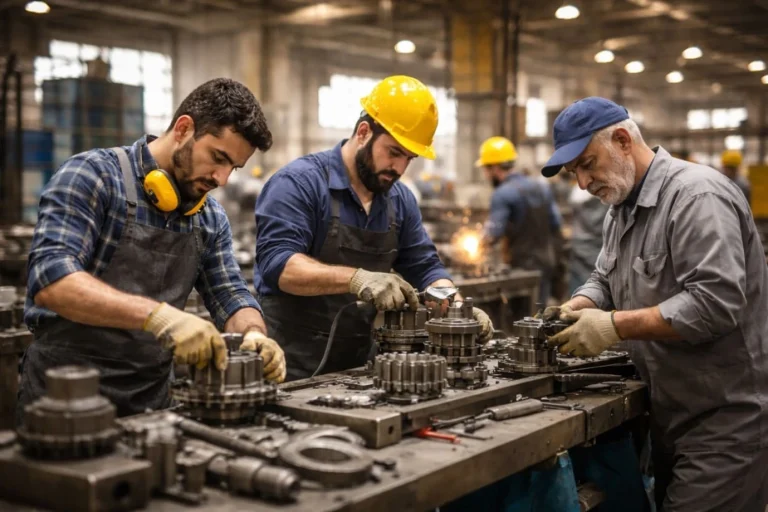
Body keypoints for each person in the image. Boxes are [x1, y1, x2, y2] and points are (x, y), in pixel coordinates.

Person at [539, 96, 768, 511]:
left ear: (623, 140)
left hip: (727, 420)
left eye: (588, 164)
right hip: (671, 414)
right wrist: (578, 305)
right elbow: (604, 278)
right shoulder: (620, 210)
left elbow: (716, 302)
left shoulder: (697, 197)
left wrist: (614, 326)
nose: (583, 184)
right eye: (575, 173)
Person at [18, 78, 286, 423]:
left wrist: (253, 333)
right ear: (184, 129)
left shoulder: (207, 216)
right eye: (217, 158)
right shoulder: (92, 177)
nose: (222, 179)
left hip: (154, 404)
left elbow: (230, 293)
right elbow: (52, 281)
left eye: (233, 168)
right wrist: (158, 317)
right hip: (62, 400)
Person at [253, 75, 493, 381]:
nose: (400, 168)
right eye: (393, 152)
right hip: (289, 368)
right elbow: (279, 266)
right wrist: (356, 279)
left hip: (361, 370)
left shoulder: (400, 199)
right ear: (364, 132)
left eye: (409, 158)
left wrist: (457, 308)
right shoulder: (298, 184)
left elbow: (424, 267)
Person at [478, 136, 563, 305]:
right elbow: (556, 223)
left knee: (520, 321)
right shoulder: (541, 186)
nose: (486, 175)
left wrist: (477, 245)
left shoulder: (502, 193)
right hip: (547, 261)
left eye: (486, 170)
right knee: (540, 313)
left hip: (521, 267)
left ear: (494, 168)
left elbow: (492, 234)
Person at [567, 185, 608, 295]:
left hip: (581, 246)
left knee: (580, 287)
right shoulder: (606, 195)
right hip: (599, 246)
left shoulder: (577, 192)